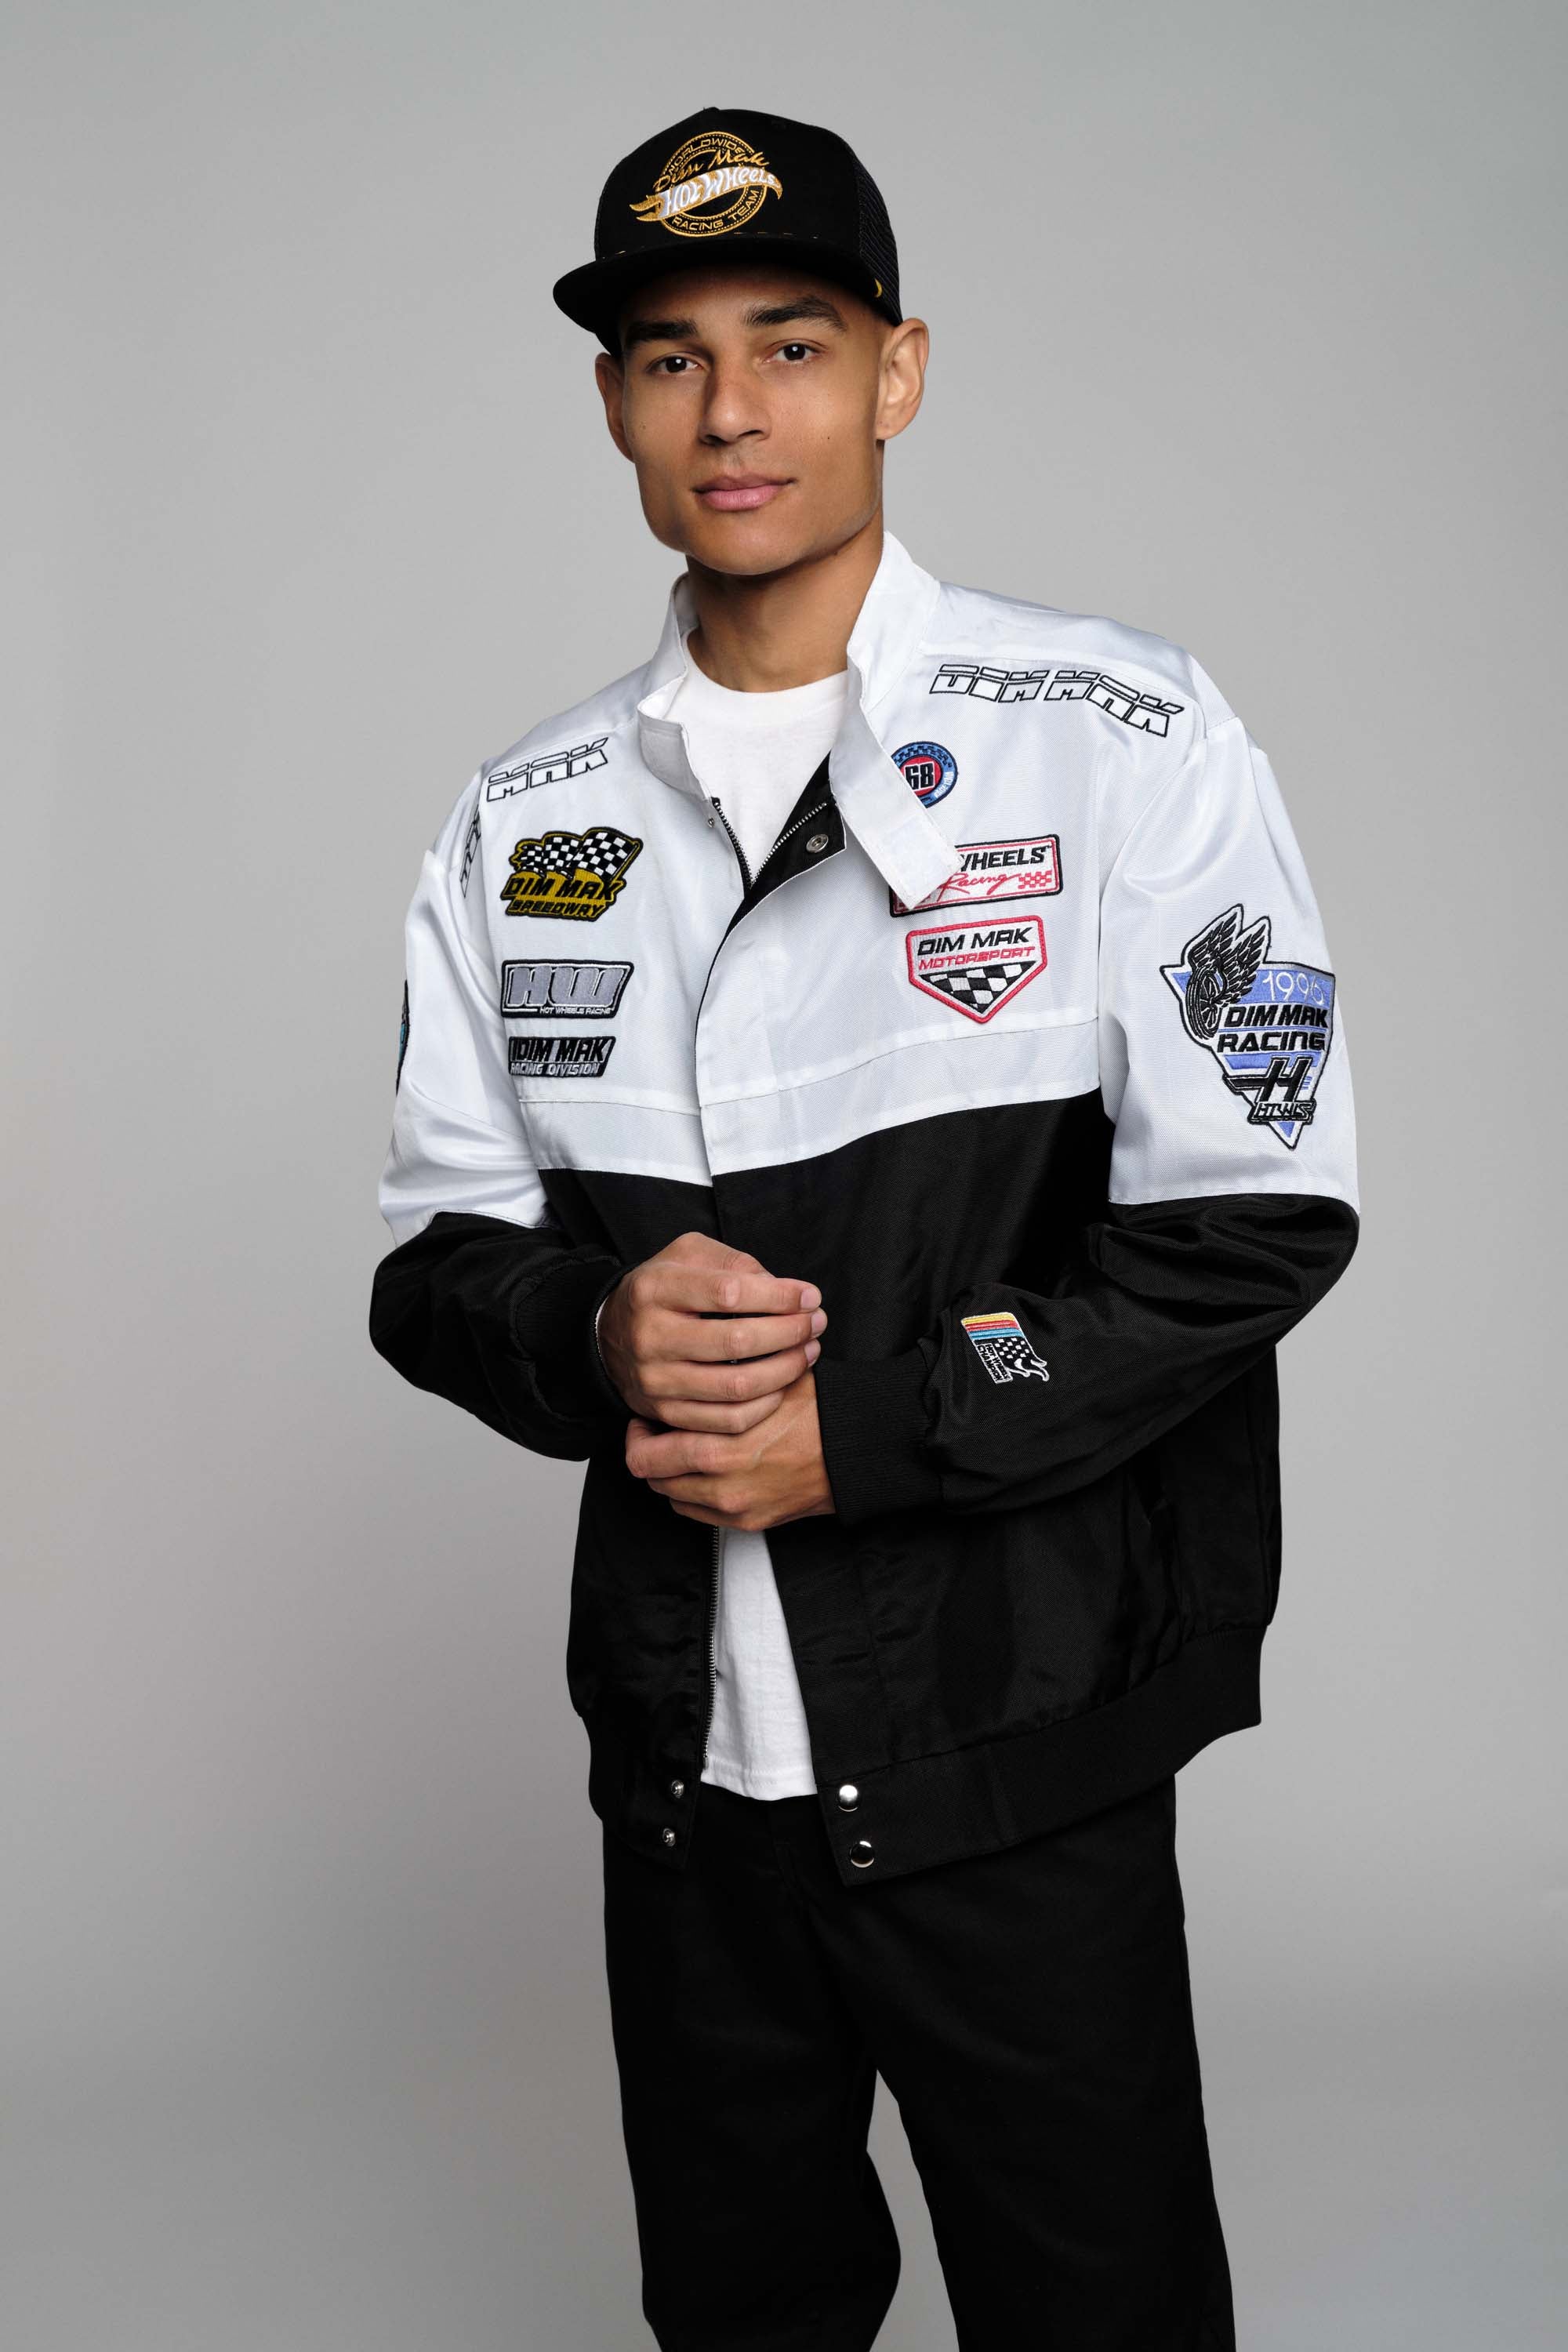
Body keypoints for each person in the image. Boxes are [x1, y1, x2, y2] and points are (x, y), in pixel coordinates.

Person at [369, 104, 1359, 2352]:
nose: (731, 409)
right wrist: (590, 1328)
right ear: (614, 405)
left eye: (792, 343)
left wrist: (878, 1434)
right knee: (743, 2314)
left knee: (1100, 2315)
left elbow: (1257, 1217)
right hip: (683, 1781)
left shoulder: (1123, 737)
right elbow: (435, 1264)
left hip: (1018, 1745)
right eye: (671, 357)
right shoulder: (525, 820)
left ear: (898, 371)